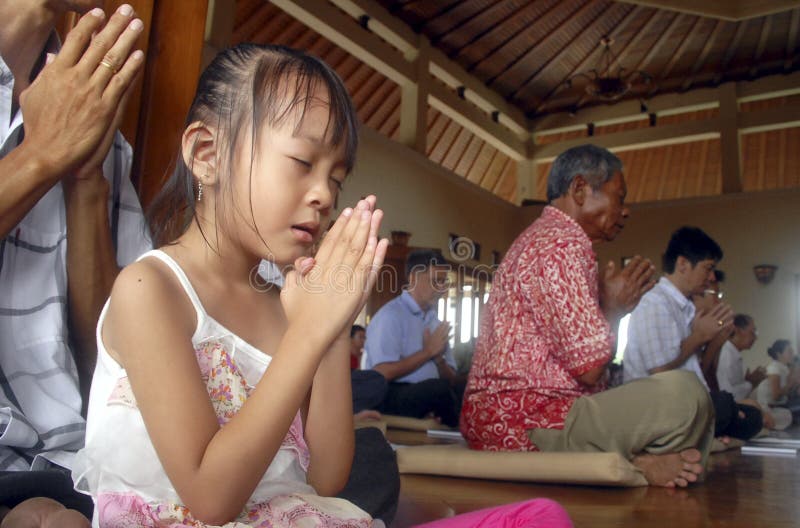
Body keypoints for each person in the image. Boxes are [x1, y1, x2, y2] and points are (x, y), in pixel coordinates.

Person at [69, 43, 394, 526]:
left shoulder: (285, 304)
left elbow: (326, 477)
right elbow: (210, 498)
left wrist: (331, 324)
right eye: (303, 162)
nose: (324, 194)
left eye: (337, 179)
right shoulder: (151, 289)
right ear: (207, 155)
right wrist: (307, 333)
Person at [461, 144, 713, 489]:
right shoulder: (559, 244)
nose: (625, 211)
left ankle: (629, 461)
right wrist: (614, 309)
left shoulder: (555, 240)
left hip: (529, 414)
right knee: (686, 395)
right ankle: (633, 463)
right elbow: (592, 369)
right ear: (580, 189)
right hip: (525, 422)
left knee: (689, 395)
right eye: (619, 197)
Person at [0, 3, 148, 525]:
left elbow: (114, 364)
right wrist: (41, 154)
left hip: (67, 462)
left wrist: (86, 180)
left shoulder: (86, 100)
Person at [624, 227, 762, 440]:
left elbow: (694, 370)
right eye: (708, 268)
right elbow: (659, 370)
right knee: (737, 411)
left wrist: (712, 339)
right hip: (656, 406)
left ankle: (710, 429)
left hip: (683, 401)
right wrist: (699, 337)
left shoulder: (684, 307)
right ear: (682, 265)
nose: (711, 276)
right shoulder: (655, 301)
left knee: (750, 416)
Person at [364, 249, 464, 427]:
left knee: (465, 386)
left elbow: (452, 379)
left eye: (444, 281)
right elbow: (382, 373)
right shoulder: (390, 316)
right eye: (435, 281)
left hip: (430, 393)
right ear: (413, 278)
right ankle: (460, 433)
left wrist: (438, 359)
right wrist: (427, 352)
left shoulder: (435, 321)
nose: (442, 288)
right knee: (437, 389)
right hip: (393, 393)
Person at [717, 314, 766, 401]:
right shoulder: (725, 355)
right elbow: (727, 395)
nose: (755, 337)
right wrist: (751, 383)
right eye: (753, 332)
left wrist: (749, 381)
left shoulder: (734, 353)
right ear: (737, 330)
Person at [349, 325, 387, 419]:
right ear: (350, 339)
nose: (363, 341)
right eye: (360, 337)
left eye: (364, 338)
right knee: (378, 379)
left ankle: (355, 410)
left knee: (379, 382)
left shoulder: (357, 355)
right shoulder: (343, 353)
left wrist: (359, 358)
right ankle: (354, 411)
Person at [757, 340, 800, 410]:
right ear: (779, 354)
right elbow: (776, 396)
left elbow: (788, 390)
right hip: (771, 407)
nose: (793, 354)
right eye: (789, 351)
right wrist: (791, 383)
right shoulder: (774, 367)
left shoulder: (784, 367)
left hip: (781, 403)